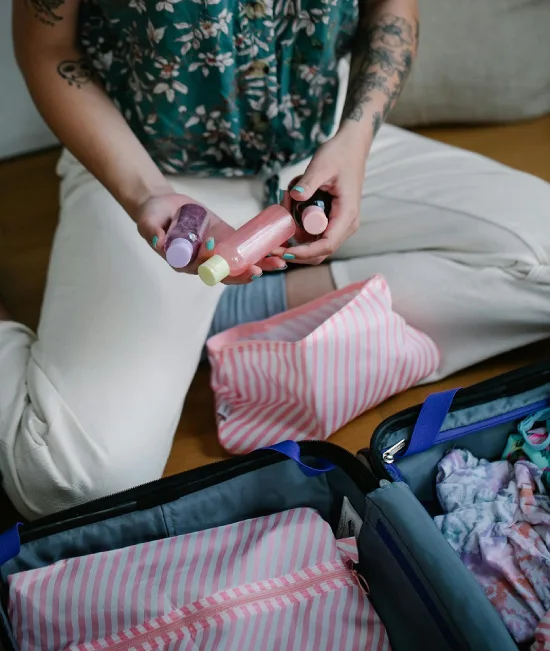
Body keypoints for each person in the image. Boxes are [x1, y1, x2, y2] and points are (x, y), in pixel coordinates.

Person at [2, 0, 549, 521]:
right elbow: (47, 47)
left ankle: (236, 307)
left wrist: (356, 139)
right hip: (143, 161)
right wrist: (144, 191)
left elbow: (392, 7)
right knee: (73, 484)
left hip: (323, 141)